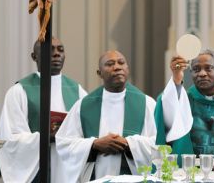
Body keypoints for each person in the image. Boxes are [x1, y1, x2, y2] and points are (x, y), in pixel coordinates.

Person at [56, 50, 157, 182]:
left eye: (121, 63)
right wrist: (94, 144)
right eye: (110, 64)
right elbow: (64, 144)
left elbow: (159, 144)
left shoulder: (147, 104)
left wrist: (129, 144)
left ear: (127, 68)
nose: (117, 67)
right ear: (99, 73)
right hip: (96, 178)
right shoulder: (83, 106)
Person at [0, 37, 87, 183]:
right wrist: (46, 137)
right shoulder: (19, 91)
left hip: (68, 170)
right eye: (50, 49)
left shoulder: (77, 91)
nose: (56, 53)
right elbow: (10, 138)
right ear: (34, 56)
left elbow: (87, 132)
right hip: (35, 172)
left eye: (60, 49)